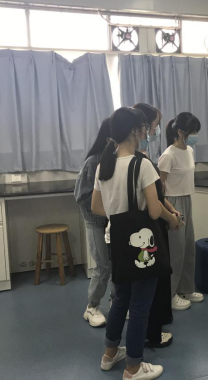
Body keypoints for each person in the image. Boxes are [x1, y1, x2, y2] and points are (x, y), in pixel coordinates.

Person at [92, 107, 171, 381]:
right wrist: (171, 218)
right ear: (135, 131)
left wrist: (119, 214)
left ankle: (109, 354)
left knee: (120, 300)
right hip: (141, 245)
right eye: (145, 128)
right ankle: (133, 367)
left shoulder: (104, 165)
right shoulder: (142, 165)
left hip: (116, 240)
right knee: (140, 306)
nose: (147, 132)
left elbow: (96, 207)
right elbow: (154, 210)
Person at [134, 103, 180, 348]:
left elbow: (158, 194)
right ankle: (153, 333)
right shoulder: (139, 161)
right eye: (154, 126)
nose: (156, 131)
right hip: (150, 226)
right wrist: (170, 218)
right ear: (142, 128)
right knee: (153, 280)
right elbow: (153, 204)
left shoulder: (141, 158)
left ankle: (153, 325)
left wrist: (170, 209)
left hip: (149, 224)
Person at [158, 112, 204, 311]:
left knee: (188, 248)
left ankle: (186, 288)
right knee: (175, 252)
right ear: (179, 132)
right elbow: (159, 189)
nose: (195, 135)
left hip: (187, 199)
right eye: (192, 131)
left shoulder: (190, 151)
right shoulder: (168, 155)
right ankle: (170, 294)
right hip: (173, 203)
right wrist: (169, 212)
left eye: (196, 131)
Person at [75, 118, 114, 328]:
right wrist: (103, 208)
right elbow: (81, 195)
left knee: (118, 265)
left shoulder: (122, 160)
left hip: (116, 221)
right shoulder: (93, 162)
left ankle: (116, 302)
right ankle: (92, 307)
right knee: (103, 266)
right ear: (108, 138)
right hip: (96, 221)